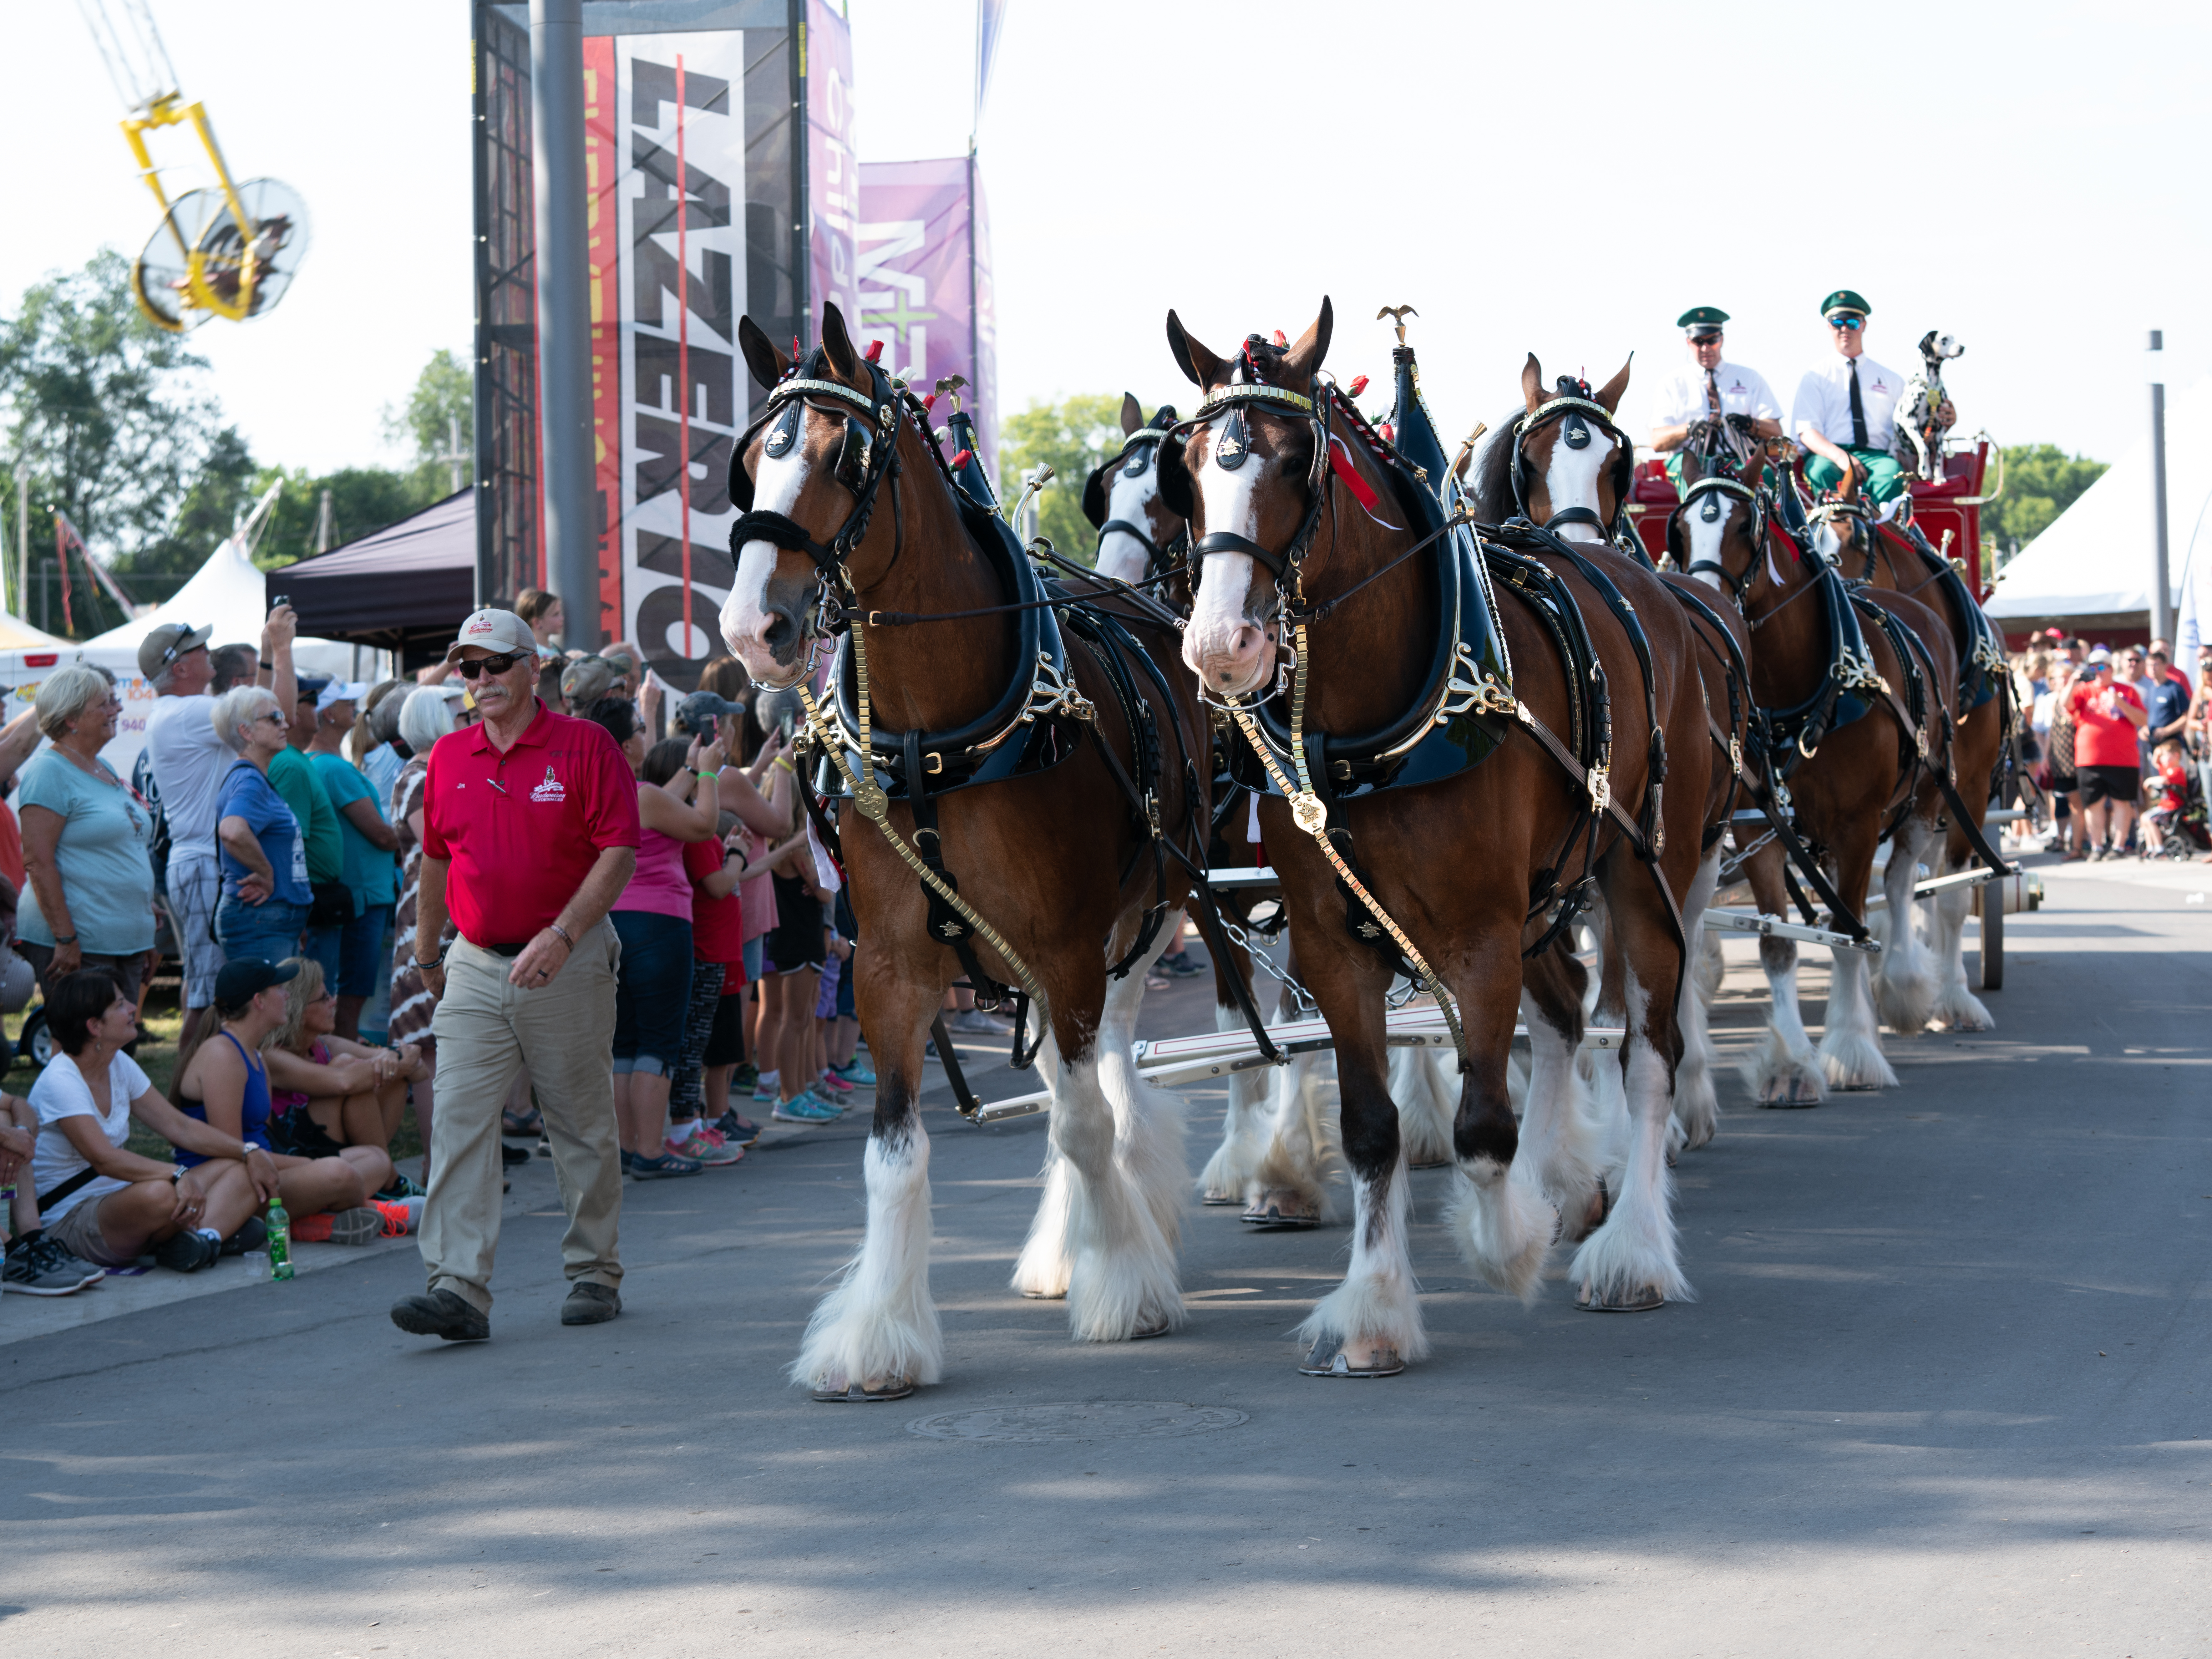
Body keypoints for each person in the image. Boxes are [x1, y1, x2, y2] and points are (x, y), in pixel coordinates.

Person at [394, 607, 640, 1342]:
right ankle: (457, 1287)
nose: (481, 679)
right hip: (473, 958)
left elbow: (619, 851)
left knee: (579, 1120)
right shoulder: (449, 756)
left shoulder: (586, 745)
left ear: (535, 667)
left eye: (495, 663)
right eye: (468, 668)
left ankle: (595, 1270)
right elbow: (436, 859)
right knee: (461, 1120)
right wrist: (431, 952)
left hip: (567, 954)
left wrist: (563, 935)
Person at [31, 966, 282, 1275]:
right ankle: (208, 1233)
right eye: (121, 1005)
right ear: (95, 1026)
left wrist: (248, 1151)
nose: (133, 1009)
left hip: (122, 1202)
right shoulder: (61, 1080)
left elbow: (180, 1127)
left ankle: (202, 1240)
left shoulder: (117, 1063)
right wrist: (176, 1174)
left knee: (242, 1165)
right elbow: (105, 1160)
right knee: (163, 1193)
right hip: (72, 1219)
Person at [145, 609, 301, 1052]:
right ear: (179, 668)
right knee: (210, 994)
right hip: (204, 861)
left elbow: (269, 712)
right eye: (199, 649)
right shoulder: (189, 712)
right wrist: (282, 648)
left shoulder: (179, 710)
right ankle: (185, 1106)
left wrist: (271, 648)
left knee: (210, 988)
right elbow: (280, 713)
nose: (209, 652)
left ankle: (195, 1099)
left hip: (202, 861)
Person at [581, 709, 727, 1176]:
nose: (648, 735)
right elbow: (704, 824)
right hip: (660, 926)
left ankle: (629, 1148)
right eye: (641, 729)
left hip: (611, 923)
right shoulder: (639, 793)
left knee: (625, 1042)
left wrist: (687, 768)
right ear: (625, 746)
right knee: (660, 1042)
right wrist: (708, 771)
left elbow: (659, 805)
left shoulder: (599, 791)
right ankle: (650, 1151)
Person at [175, 956, 393, 1241]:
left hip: (266, 1169)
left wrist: (306, 1163)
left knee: (376, 1159)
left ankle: (311, 1218)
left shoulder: (254, 1055)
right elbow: (232, 1153)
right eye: (280, 989)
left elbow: (267, 1138)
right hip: (235, 1184)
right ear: (260, 1001)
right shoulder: (222, 1055)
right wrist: (309, 1166)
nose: (289, 996)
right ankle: (316, 1218)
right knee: (341, 1174)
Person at [14, 667, 159, 1008]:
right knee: (85, 1046)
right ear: (71, 719)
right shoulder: (49, 771)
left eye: (115, 701)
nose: (117, 709)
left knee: (118, 1046)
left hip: (126, 936)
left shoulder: (102, 765)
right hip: (82, 941)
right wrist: (66, 939)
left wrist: (141, 918)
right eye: (105, 704)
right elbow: (38, 861)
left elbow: (120, 849)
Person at [264, 955, 424, 1187]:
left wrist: (392, 1058)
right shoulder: (272, 1056)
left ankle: (384, 1176)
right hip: (294, 1150)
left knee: (390, 1078)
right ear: (298, 1008)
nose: (334, 1002)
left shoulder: (326, 1044)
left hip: (329, 1138)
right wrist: (396, 1062)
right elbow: (344, 1082)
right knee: (352, 1070)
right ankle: (390, 1181)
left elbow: (420, 1073)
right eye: (324, 998)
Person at [388, 686, 458, 1185]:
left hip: (456, 921)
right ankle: (440, 1169)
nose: (469, 717)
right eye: (458, 712)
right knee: (432, 1050)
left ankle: (459, 1165)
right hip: (427, 925)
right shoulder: (417, 777)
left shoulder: (444, 770)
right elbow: (446, 844)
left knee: (458, 1048)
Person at [1791, 290, 1952, 510]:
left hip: (1878, 457)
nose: (1845, 329)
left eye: (1852, 323)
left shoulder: (1892, 380)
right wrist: (1841, 458)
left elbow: (1912, 426)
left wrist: (1942, 420)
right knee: (1820, 471)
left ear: (1864, 325)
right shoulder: (1814, 378)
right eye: (1837, 323)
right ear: (1829, 327)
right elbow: (1808, 433)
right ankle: (1838, 537)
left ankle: (1876, 537)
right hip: (1829, 456)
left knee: (1894, 476)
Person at [307, 681, 401, 1039]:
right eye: (348, 702)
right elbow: (381, 834)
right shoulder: (335, 769)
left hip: (351, 894)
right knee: (351, 996)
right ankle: (343, 1068)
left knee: (339, 992)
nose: (355, 707)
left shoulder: (318, 764)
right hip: (363, 897)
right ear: (329, 714)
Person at [211, 683, 315, 964]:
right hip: (260, 919)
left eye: (282, 716)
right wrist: (267, 874)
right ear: (247, 732)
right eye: (274, 719)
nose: (285, 725)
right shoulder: (249, 781)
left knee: (280, 1005)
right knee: (266, 1006)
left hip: (271, 919)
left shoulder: (254, 778)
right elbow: (232, 831)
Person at [1649, 306, 1783, 495]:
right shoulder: (1672, 383)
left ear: (1722, 339)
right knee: (1693, 478)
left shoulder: (1750, 378)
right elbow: (1658, 442)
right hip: (1691, 458)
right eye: (1698, 341)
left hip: (1738, 457)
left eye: (1712, 340)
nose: (1706, 348)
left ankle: (1766, 525)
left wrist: (1750, 424)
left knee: (1765, 475)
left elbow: (1776, 433)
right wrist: (1689, 429)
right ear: (1688, 342)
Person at [2067, 651, 2147, 860]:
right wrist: (2072, 682)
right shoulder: (2083, 690)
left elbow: (2142, 720)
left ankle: (2119, 847)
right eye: (2093, 667)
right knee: (2094, 804)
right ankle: (2097, 847)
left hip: (2123, 758)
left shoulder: (2127, 691)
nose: (2097, 671)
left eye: (2101, 666)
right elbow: (2066, 707)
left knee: (2122, 802)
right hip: (2089, 758)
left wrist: (2121, 704)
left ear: (2111, 668)